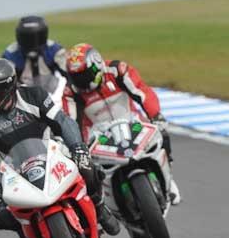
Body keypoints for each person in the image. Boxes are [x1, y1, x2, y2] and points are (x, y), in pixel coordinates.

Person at [0, 58, 121, 238]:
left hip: (52, 149)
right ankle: (25, 234)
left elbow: (62, 121)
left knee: (88, 168)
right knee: (2, 214)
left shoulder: (33, 94)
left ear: (10, 86)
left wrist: (78, 148)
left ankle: (99, 207)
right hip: (16, 168)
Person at [63, 43, 181, 205]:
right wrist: (76, 146)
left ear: (96, 64)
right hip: (100, 139)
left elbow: (142, 92)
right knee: (85, 170)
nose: (81, 81)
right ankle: (102, 206)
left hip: (134, 125)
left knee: (162, 134)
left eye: (84, 75)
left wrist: (156, 115)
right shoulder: (71, 92)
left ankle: (169, 178)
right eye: (75, 77)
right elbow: (69, 121)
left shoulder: (117, 70)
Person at [1, 16, 67, 103]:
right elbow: (3, 85)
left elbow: (70, 75)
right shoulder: (11, 54)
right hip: (22, 99)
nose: (31, 43)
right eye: (27, 39)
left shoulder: (54, 50)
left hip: (53, 96)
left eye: (35, 38)